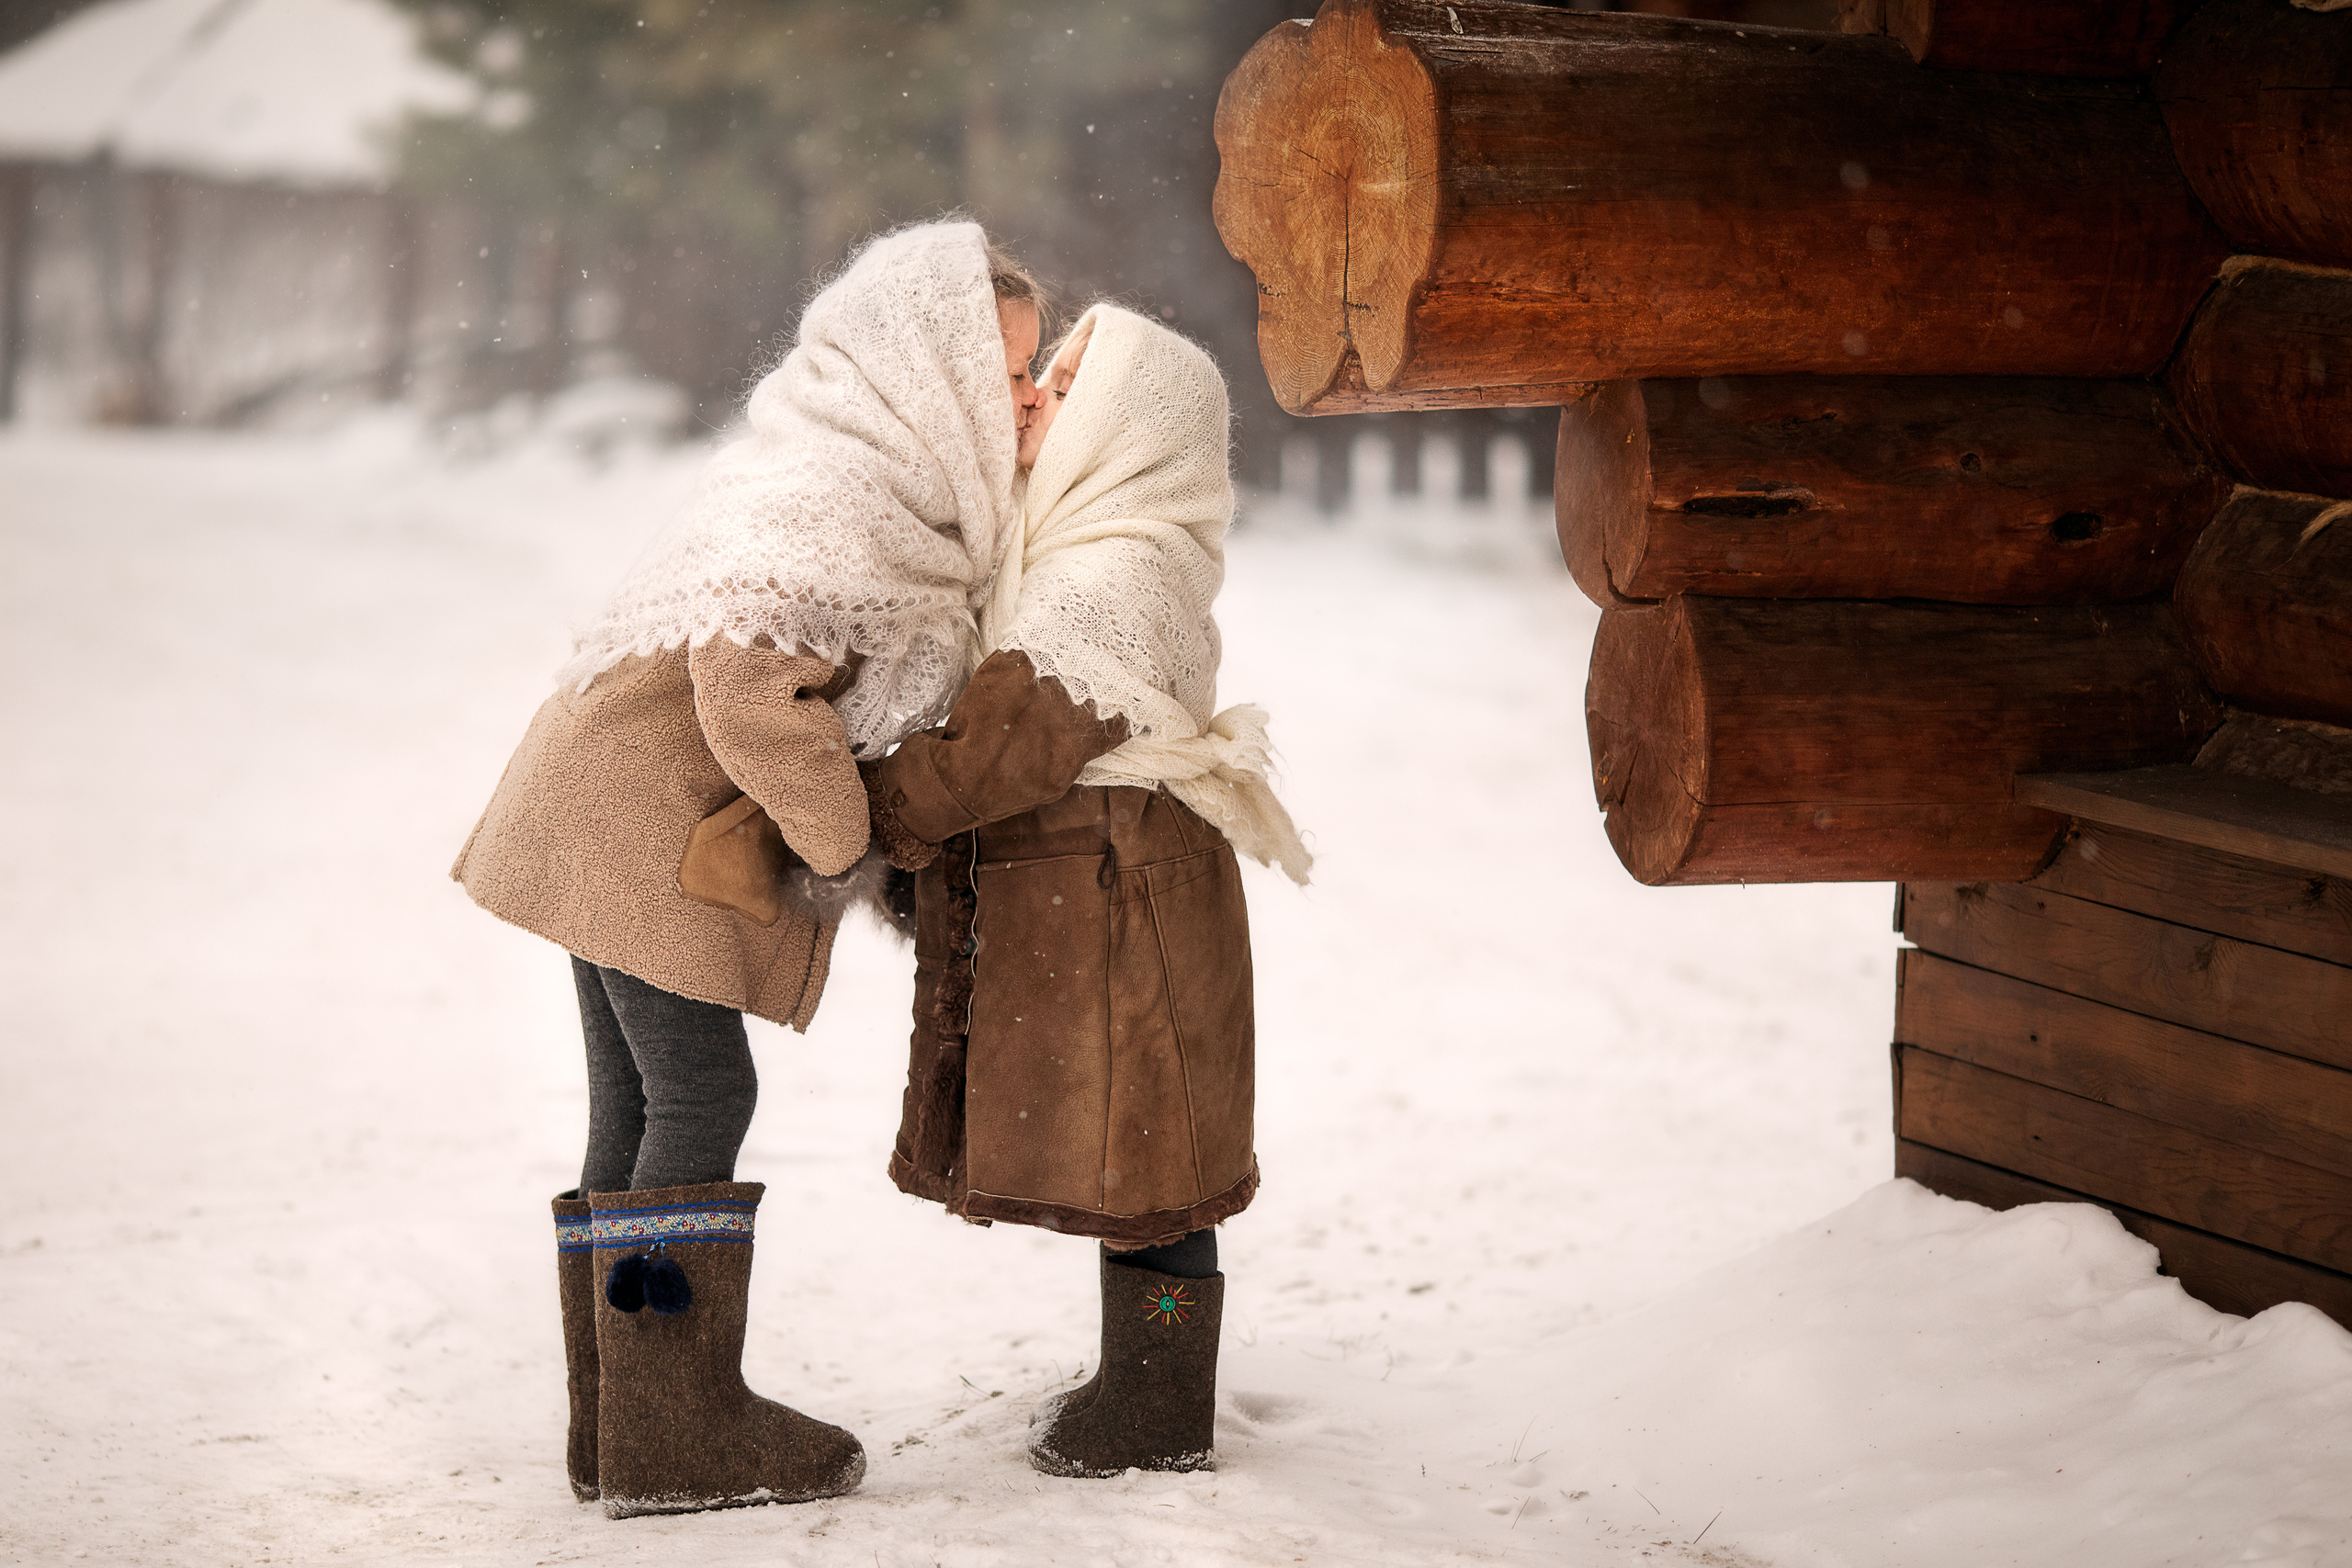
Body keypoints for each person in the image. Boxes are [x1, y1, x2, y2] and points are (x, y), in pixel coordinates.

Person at [449, 220, 1047, 1518]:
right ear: (927, 371)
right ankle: (675, 1425)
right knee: (701, 1091)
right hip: (636, 819)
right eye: (1002, 374)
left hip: (607, 807)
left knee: (641, 1099)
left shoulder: (848, 474)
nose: (1020, 400)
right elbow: (748, 686)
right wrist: (841, 848)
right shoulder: (833, 496)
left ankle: (621, 1420)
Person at [864, 302, 1311, 1479]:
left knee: (1155, 1156)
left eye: (1062, 388)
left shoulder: (1111, 568)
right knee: (1143, 1149)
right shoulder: (1094, 538)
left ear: (1125, 424)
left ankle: (1157, 1409)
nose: (1034, 402)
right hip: (1118, 879)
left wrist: (867, 807)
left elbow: (1009, 742)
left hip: (1122, 890)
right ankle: (1140, 1383)